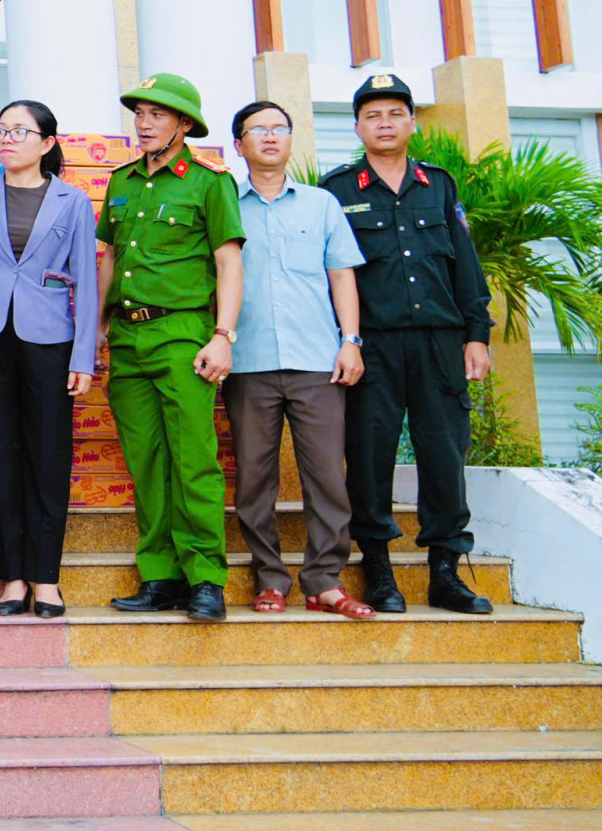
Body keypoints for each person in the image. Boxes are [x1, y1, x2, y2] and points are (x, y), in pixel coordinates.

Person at [321, 73, 494, 615]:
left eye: (395, 113)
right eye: (373, 116)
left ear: (412, 122)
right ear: (358, 127)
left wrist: (477, 335)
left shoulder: (438, 185)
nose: (385, 123)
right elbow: (328, 275)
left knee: (444, 454)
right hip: (372, 347)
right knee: (369, 456)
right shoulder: (338, 190)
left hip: (440, 344)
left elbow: (465, 267)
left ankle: (445, 572)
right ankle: (378, 572)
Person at [97, 73, 245, 624]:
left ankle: (205, 578)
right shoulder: (123, 181)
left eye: (157, 114)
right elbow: (109, 257)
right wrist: (99, 327)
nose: (144, 122)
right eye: (139, 113)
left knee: (193, 460)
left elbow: (229, 262)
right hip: (130, 340)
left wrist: (222, 335)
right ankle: (160, 577)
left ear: (184, 124)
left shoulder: (209, 183)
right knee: (147, 461)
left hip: (185, 334)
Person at [226, 101, 373, 619]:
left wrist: (351, 340)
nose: (270, 137)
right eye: (257, 130)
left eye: (279, 129)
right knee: (254, 481)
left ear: (291, 140)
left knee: (327, 476)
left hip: (317, 361)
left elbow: (341, 277)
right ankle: (270, 579)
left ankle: (324, 580)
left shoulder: (321, 205)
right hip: (246, 362)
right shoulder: (222, 204)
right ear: (238, 144)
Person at [0, 99, 98, 619]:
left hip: (50, 340)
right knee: (0, 456)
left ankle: (47, 578)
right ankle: (13, 577)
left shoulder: (73, 202)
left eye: (19, 131)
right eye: (1, 130)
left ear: (47, 142)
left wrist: (84, 356)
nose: (7, 139)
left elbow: (86, 279)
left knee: (49, 456)